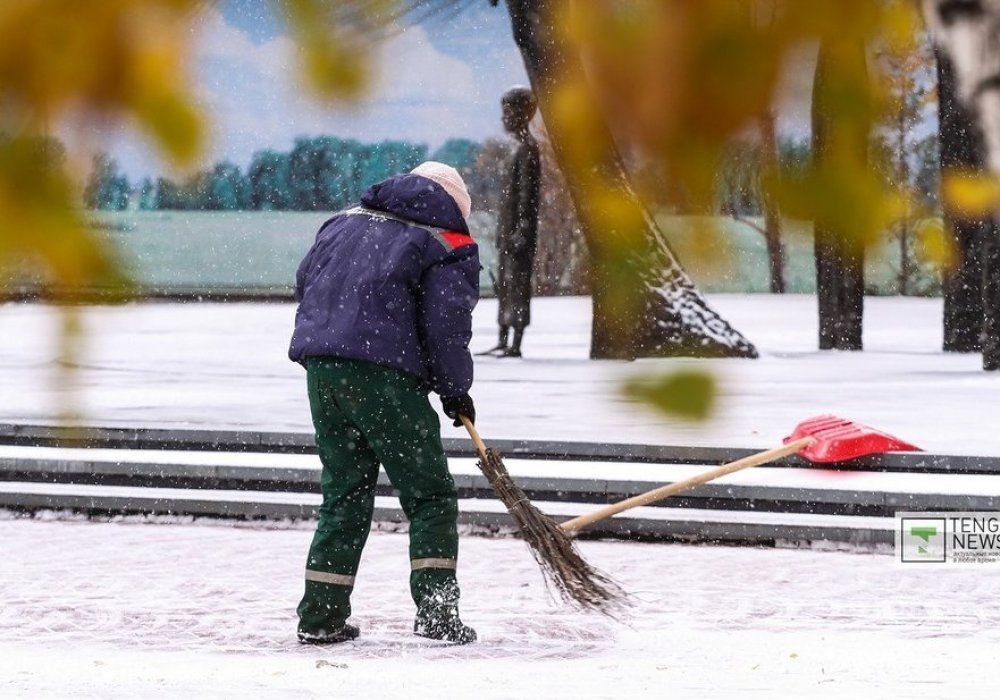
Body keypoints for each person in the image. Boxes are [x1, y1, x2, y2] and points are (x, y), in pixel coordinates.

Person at [288, 161, 479, 645]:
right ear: (455, 204)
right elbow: (445, 325)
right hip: (386, 374)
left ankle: (321, 616)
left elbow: (306, 282)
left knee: (345, 494)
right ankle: (437, 614)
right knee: (430, 496)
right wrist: (454, 388)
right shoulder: (446, 242)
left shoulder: (343, 221)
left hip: (324, 368)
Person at [481, 86, 541, 358]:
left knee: (517, 285)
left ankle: (515, 342)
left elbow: (528, 198)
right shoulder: (516, 149)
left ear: (522, 113)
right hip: (508, 232)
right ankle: (503, 339)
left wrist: (522, 231)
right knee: (505, 285)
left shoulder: (528, 150)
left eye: (509, 111)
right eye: (503, 111)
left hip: (519, 235)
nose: (504, 117)